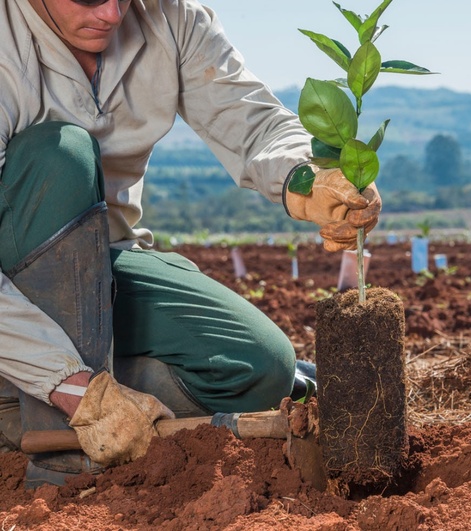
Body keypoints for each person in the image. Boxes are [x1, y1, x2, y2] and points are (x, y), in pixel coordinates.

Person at [0, 0, 381, 486]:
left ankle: (20, 398)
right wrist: (70, 387)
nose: (114, 14)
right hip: (10, 279)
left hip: (105, 261)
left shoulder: (169, 14)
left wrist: (307, 179)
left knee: (262, 367)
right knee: (59, 154)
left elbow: (251, 120)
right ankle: (60, 451)